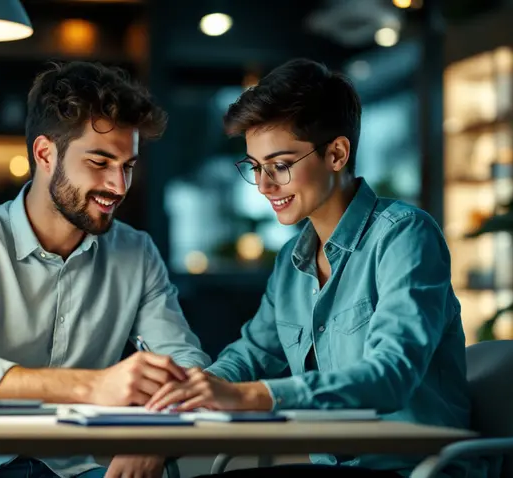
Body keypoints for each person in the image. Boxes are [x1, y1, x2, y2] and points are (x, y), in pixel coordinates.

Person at [146, 59, 487, 478]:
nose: (266, 186)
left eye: (281, 165)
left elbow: (390, 376)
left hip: (417, 470)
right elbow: (252, 354)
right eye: (255, 167)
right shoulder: (292, 263)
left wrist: (250, 396)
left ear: (337, 154)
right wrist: (194, 390)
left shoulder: (404, 236)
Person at [0, 61, 211, 478]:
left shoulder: (137, 253)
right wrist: (94, 387)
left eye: (127, 166)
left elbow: (187, 366)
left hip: (74, 466)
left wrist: (153, 438)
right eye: (99, 161)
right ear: (45, 153)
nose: (118, 185)